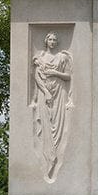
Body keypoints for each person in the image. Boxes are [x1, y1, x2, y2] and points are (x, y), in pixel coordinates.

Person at [31, 32, 73, 182]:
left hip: (60, 93)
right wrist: (46, 92)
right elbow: (37, 76)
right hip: (45, 94)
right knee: (46, 126)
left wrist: (55, 72)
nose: (53, 41)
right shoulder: (40, 58)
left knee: (59, 127)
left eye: (55, 39)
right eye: (50, 39)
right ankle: (48, 160)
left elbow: (68, 76)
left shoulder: (62, 58)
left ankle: (56, 158)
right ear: (46, 40)